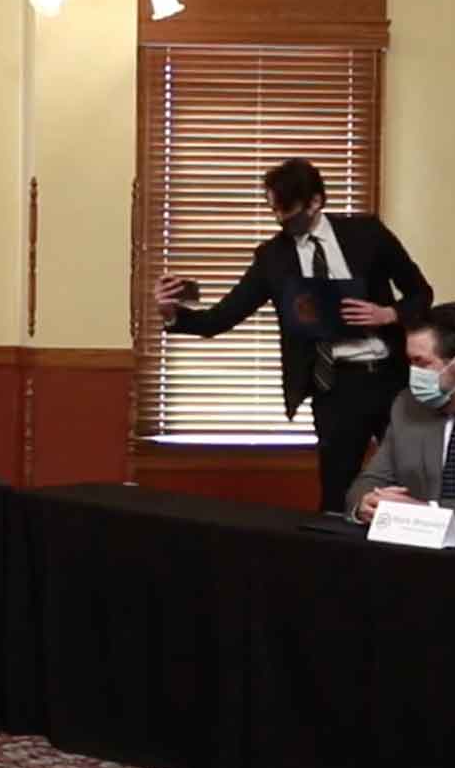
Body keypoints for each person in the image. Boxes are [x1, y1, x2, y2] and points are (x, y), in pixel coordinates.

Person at [155, 158, 432, 513]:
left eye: (286, 208)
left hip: (392, 379)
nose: (278, 217)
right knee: (338, 494)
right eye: (273, 208)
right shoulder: (273, 257)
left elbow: (421, 293)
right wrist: (171, 315)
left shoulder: (367, 233)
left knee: (415, 481)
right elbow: (221, 318)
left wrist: (389, 314)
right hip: (335, 387)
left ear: (315, 201)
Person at [347, 303, 455, 531]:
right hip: (416, 557)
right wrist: (365, 503)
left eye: (421, 362)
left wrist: (427, 514)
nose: (412, 372)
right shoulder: (408, 404)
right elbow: (369, 482)